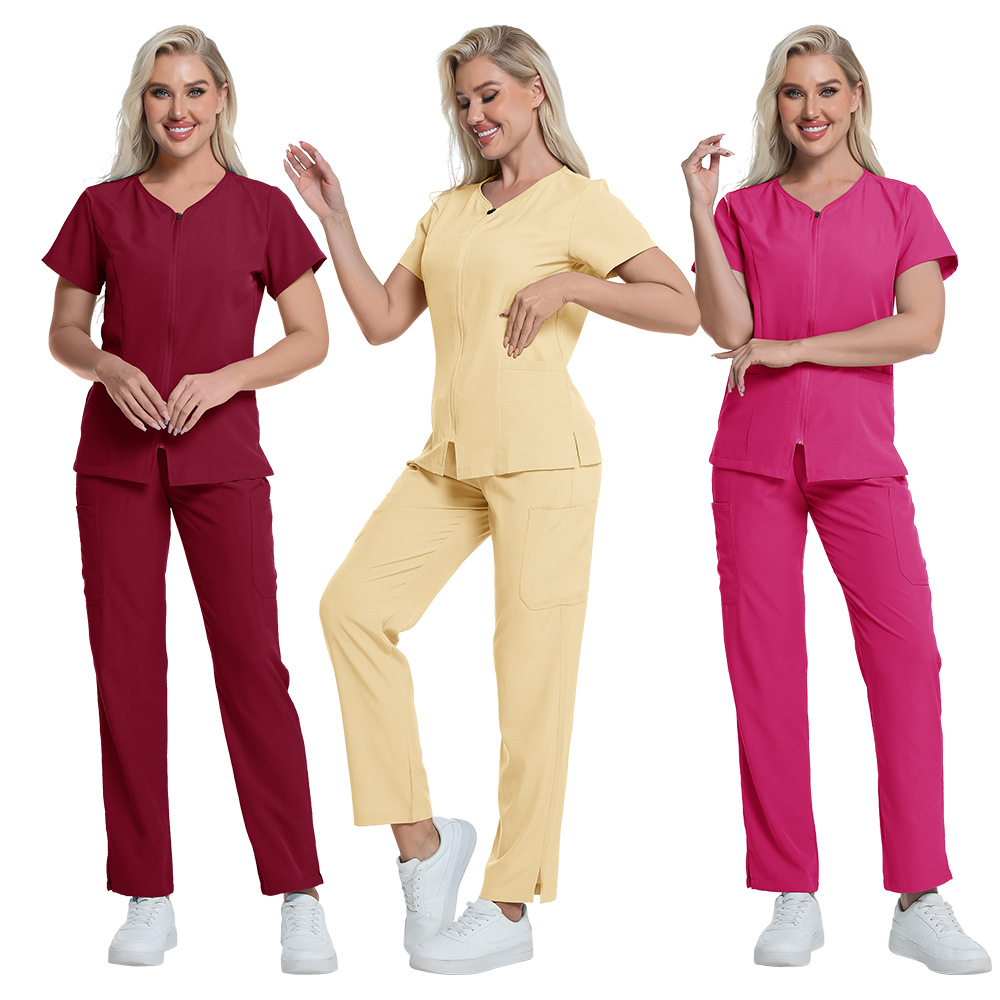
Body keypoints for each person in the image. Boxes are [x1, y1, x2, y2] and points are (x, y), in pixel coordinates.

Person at [284, 23, 699, 975]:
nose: (475, 114)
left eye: (490, 95)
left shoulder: (581, 203)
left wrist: (572, 285)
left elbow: (682, 308)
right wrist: (336, 220)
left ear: (535, 91)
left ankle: (510, 902)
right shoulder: (450, 210)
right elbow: (383, 322)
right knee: (351, 610)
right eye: (464, 100)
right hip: (451, 460)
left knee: (530, 680)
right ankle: (424, 843)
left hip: (545, 462)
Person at [682, 24, 990, 975]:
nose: (809, 109)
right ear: (775, 106)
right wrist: (700, 211)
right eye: (792, 92)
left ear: (855, 95)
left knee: (907, 664)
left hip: (862, 460)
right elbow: (725, 323)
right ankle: (792, 891)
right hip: (754, 461)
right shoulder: (744, 210)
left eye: (825, 89)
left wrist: (798, 349)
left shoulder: (903, 206)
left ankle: (920, 894)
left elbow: (921, 329)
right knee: (766, 671)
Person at [44, 25, 337, 974]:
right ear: (143, 103)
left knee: (253, 669)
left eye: (196, 91)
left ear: (222, 100)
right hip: (115, 463)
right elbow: (63, 330)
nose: (179, 109)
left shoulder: (262, 210)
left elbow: (310, 336)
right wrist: (106, 364)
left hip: (225, 461)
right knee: (126, 672)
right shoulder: (101, 207)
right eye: (162, 92)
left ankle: (298, 891)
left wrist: (227, 379)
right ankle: (147, 891)